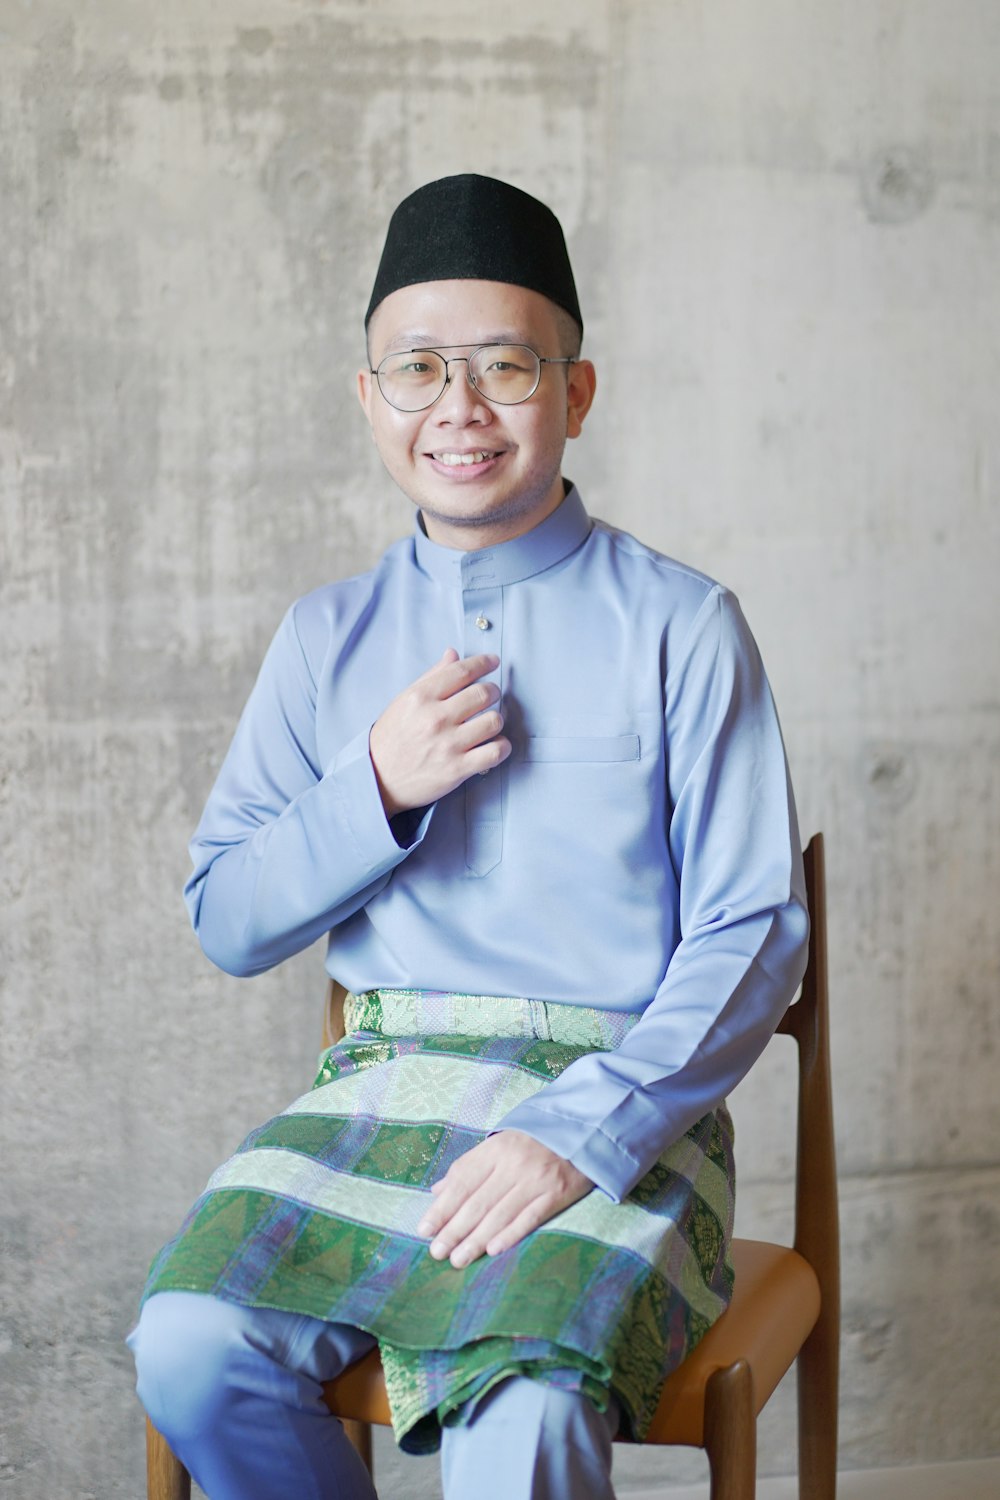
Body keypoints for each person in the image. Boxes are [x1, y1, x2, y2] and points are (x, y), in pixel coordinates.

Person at [129, 173, 809, 1500]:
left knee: (525, 1418)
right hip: (377, 1093)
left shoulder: (684, 623)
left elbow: (755, 932)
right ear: (367, 397)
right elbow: (225, 915)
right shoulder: (324, 637)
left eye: (505, 365)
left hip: (625, 1105)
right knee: (190, 1344)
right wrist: (371, 787)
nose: (460, 406)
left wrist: (585, 1129)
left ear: (578, 390)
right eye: (419, 369)